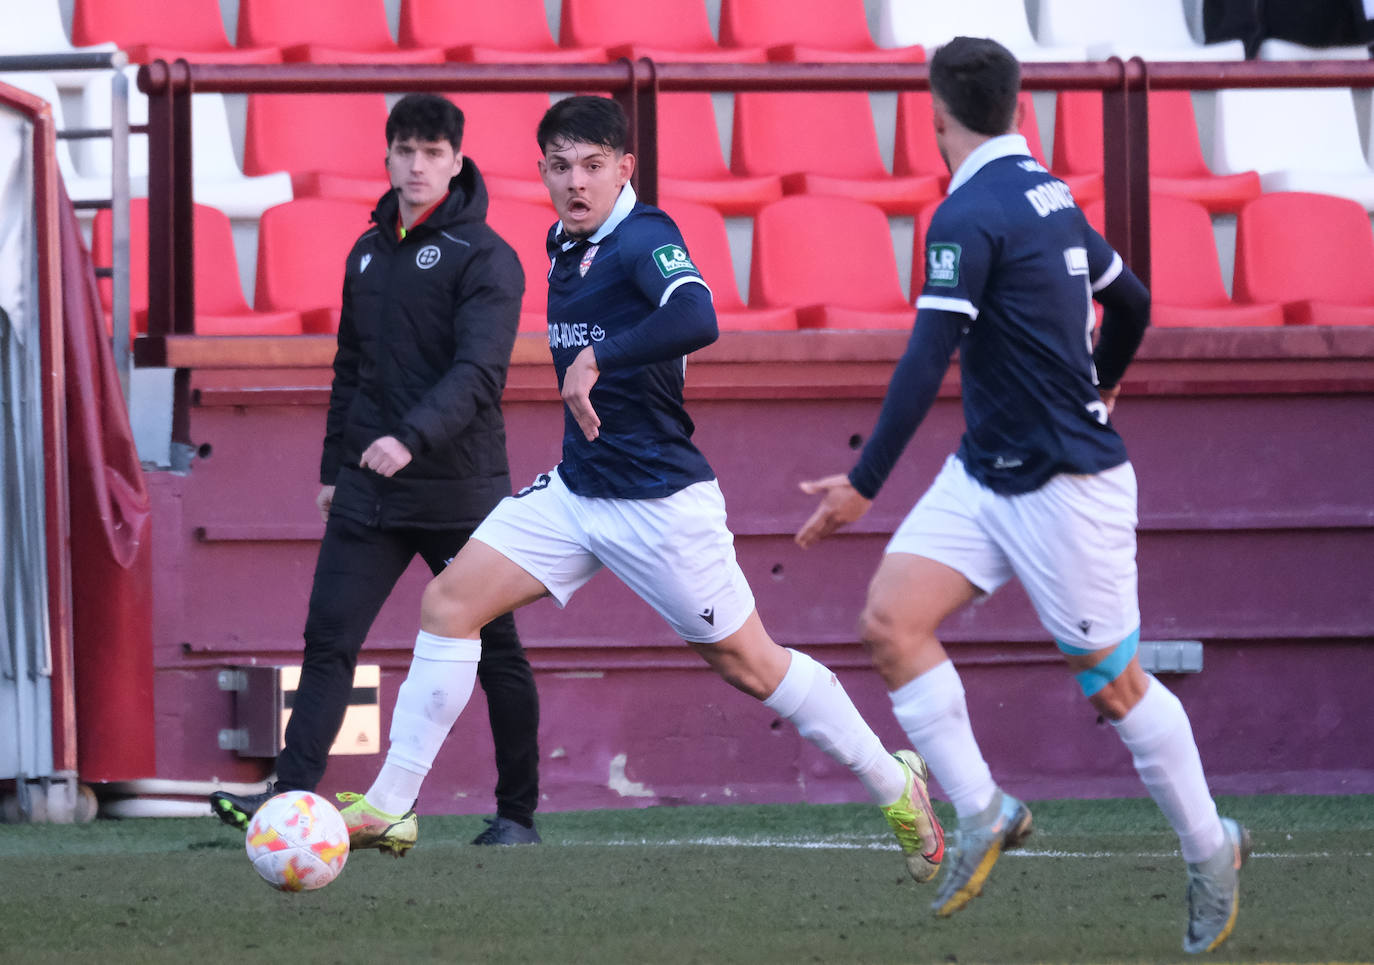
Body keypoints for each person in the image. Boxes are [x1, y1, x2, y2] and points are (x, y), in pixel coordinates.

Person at [332, 94, 946, 884]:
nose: (575, 182)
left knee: (751, 665)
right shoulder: (562, 241)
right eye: (560, 167)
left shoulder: (644, 237)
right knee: (450, 602)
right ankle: (391, 804)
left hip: (659, 503)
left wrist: (601, 358)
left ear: (625, 168)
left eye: (593, 166)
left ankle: (896, 783)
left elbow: (698, 314)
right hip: (578, 492)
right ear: (543, 172)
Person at [795, 37, 1249, 956]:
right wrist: (1107, 376)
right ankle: (984, 808)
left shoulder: (970, 213)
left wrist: (863, 484)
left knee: (1116, 686)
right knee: (890, 622)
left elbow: (927, 358)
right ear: (1016, 107)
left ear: (935, 116)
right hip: (987, 467)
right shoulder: (1048, 192)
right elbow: (1136, 303)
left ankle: (1212, 849)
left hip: (1067, 484)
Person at [208, 93, 542, 847]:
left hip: (459, 489)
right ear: (387, 155)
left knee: (497, 650)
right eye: (405, 150)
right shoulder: (366, 250)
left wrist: (411, 438)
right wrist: (336, 465)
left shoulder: (487, 257)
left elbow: (479, 375)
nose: (416, 165)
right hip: (369, 488)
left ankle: (516, 813)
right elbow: (350, 366)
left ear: (456, 162)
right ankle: (289, 801)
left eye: (432, 152)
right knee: (328, 639)